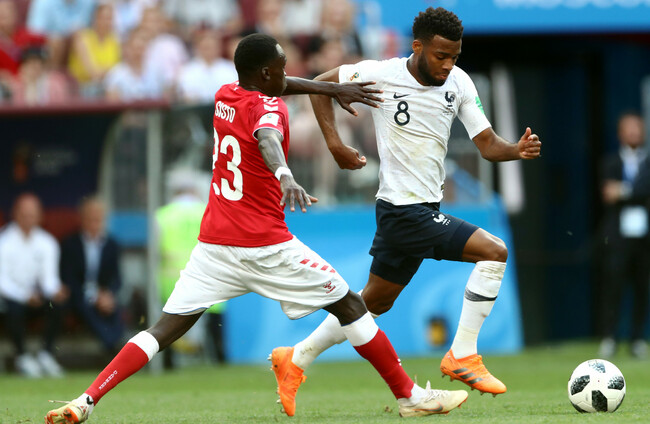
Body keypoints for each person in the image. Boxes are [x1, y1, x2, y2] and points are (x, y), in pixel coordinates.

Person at [44, 33, 468, 424]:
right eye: (281, 68)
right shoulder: (269, 108)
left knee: (161, 329)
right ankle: (409, 396)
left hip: (214, 246)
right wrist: (284, 174)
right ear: (266, 73)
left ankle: (86, 400)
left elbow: (279, 89)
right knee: (350, 305)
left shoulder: (225, 95)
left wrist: (328, 89)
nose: (286, 75)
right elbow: (267, 137)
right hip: (265, 245)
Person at [277, 7, 542, 397]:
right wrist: (335, 144)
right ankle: (464, 355)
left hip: (420, 209)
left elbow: (487, 145)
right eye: (441, 56)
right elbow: (320, 84)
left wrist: (516, 150)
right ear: (417, 47)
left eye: (455, 56)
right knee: (494, 252)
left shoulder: (460, 82)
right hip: (403, 211)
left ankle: (295, 358)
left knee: (373, 302)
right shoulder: (382, 74)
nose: (448, 65)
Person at [155, 169, 227, 365]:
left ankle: (168, 362)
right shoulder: (208, 210)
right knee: (214, 322)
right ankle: (219, 358)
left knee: (170, 324)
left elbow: (155, 249)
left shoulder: (163, 215)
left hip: (172, 277)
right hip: (208, 274)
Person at [597, 112, 650, 359]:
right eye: (629, 128)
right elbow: (608, 193)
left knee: (642, 288)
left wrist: (625, 191)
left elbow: (641, 190)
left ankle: (637, 339)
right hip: (618, 237)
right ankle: (609, 338)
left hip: (644, 238)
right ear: (620, 133)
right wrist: (637, 191)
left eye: (637, 128)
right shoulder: (610, 162)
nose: (633, 133)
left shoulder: (647, 163)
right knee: (613, 287)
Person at [0, 193, 68, 378]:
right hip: (11, 300)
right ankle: (22, 357)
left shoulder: (47, 242)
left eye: (32, 214)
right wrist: (24, 296)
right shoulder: (3, 241)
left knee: (58, 304)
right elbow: (2, 282)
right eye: (24, 214)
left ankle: (46, 354)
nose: (28, 219)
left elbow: (49, 279)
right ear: (15, 214)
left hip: (36, 298)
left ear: (39, 216)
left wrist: (55, 291)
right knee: (13, 309)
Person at [60, 196, 124, 353]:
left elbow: (117, 278)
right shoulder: (70, 244)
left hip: (103, 295)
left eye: (98, 219)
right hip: (79, 296)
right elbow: (68, 278)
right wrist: (94, 297)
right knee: (85, 307)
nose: (95, 224)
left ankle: (120, 345)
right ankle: (112, 345)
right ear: (82, 219)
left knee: (115, 309)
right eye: (91, 219)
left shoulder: (112, 245)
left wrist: (108, 295)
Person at [67, 3, 121, 98]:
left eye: (109, 18)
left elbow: (119, 71)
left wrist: (105, 72)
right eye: (103, 18)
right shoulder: (83, 38)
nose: (106, 22)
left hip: (106, 87)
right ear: (95, 19)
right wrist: (108, 70)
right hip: (81, 88)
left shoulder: (114, 41)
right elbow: (93, 73)